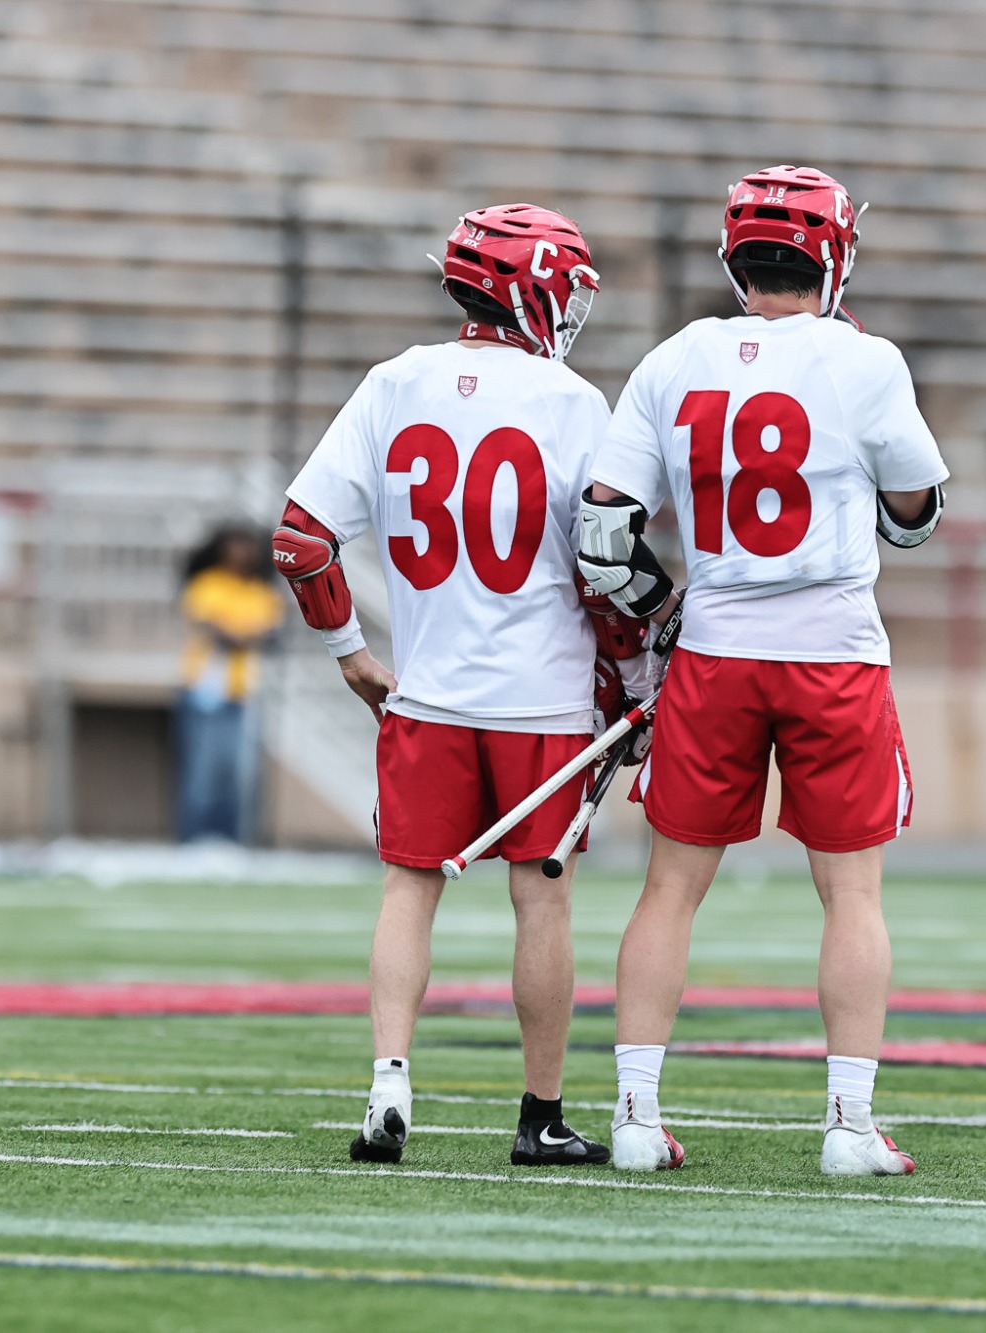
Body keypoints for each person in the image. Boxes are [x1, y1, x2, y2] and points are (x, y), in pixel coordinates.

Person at [575, 165, 949, 1177]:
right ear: (831, 256)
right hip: (830, 652)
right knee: (852, 893)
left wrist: (666, 609)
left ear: (733, 259)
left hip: (716, 653)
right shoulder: (863, 360)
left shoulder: (674, 358)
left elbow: (603, 536)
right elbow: (914, 512)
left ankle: (635, 1118)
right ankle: (845, 1124)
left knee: (668, 889)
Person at [273, 203, 623, 1167]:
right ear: (535, 288)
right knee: (542, 901)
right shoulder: (572, 403)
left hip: (425, 694)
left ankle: (390, 1083)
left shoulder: (396, 382)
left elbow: (302, 538)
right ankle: (539, 1113)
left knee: (406, 889)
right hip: (544, 703)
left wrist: (349, 647)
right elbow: (609, 563)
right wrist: (633, 674)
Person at [175, 524, 284, 843]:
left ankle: (231, 844)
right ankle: (194, 842)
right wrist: (248, 635)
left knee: (239, 777)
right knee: (201, 775)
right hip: (205, 692)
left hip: (245, 692)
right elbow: (218, 635)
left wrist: (240, 635)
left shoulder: (261, 592)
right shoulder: (207, 585)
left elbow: (274, 636)